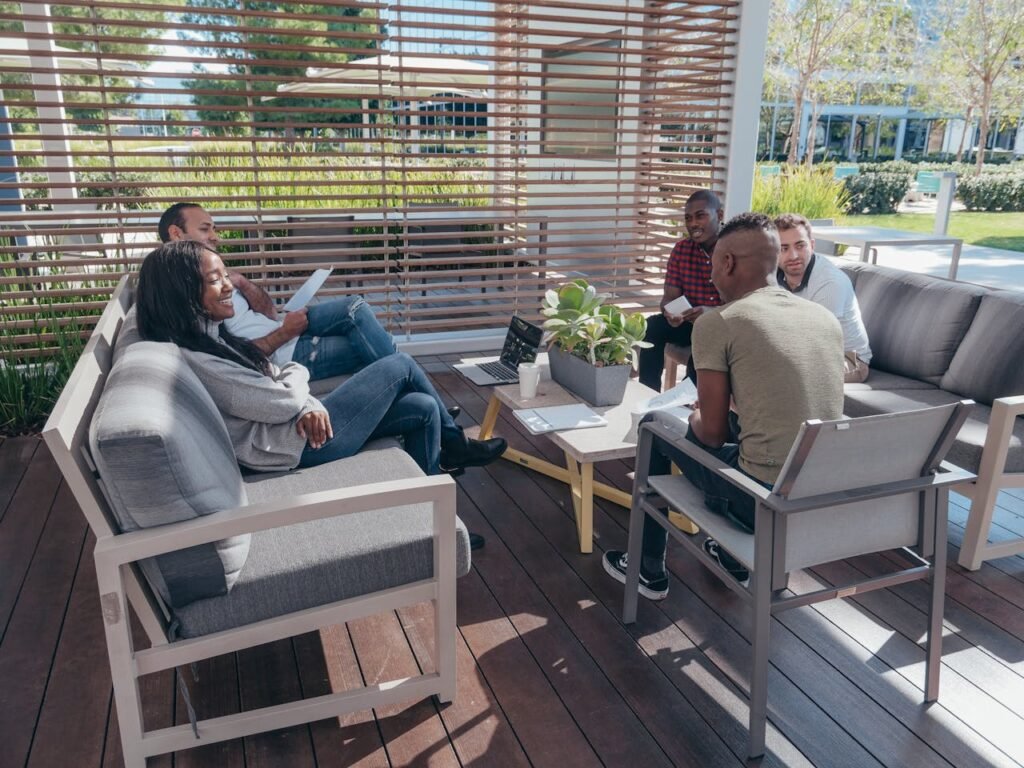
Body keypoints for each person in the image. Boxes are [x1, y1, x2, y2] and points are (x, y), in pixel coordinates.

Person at [604, 213, 845, 599]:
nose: (712, 274)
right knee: (742, 428)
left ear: (728, 262)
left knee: (653, 423)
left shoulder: (719, 322)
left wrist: (695, 414)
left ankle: (646, 568)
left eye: (714, 263)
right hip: (821, 499)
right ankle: (731, 559)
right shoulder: (823, 318)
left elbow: (712, 435)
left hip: (760, 503)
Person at [134, 240, 507, 480]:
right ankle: (456, 444)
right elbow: (280, 397)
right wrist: (301, 383)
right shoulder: (200, 358)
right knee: (401, 365)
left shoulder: (211, 337)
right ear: (183, 293)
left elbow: (275, 378)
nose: (229, 285)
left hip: (297, 429)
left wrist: (306, 401)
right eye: (216, 280)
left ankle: (434, 522)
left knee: (423, 406)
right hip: (293, 447)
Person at [158, 203, 401, 385]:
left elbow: (270, 312)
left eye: (214, 228)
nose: (215, 236)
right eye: (205, 229)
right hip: (284, 351)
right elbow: (230, 356)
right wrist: (285, 332)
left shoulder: (214, 273)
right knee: (384, 344)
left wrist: (242, 282)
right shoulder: (180, 290)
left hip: (281, 327)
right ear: (176, 233)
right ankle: (410, 407)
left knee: (354, 306)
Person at [637, 190, 725, 391]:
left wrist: (710, 313)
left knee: (705, 339)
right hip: (689, 322)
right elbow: (669, 298)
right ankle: (648, 394)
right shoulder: (681, 250)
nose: (693, 223)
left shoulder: (734, 250)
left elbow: (744, 304)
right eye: (688, 218)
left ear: (719, 216)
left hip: (722, 326)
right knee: (652, 326)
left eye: (700, 216)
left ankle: (688, 400)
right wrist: (670, 314)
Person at [774, 213, 873, 383]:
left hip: (850, 360)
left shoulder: (829, 282)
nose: (793, 256)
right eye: (784, 248)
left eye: (800, 246)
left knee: (781, 375)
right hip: (808, 353)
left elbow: (816, 343)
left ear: (812, 245)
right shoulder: (774, 275)